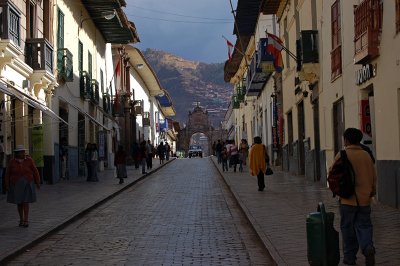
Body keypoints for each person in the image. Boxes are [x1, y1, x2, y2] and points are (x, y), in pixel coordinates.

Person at [329, 128, 377, 266]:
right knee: (365, 225)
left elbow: (332, 173)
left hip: (347, 200)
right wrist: (371, 193)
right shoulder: (366, 155)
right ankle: (368, 247)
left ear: (346, 140)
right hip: (364, 200)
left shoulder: (342, 154)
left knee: (347, 228)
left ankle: (350, 258)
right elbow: (374, 177)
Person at [5, 145, 40, 227]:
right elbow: (7, 174)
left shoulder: (29, 160)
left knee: (25, 201)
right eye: (21, 152)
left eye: (23, 152)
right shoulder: (12, 162)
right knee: (19, 202)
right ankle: (21, 219)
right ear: (17, 153)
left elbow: (35, 171)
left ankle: (26, 220)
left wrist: (38, 182)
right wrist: (7, 185)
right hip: (16, 184)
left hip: (28, 182)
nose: (23, 153)